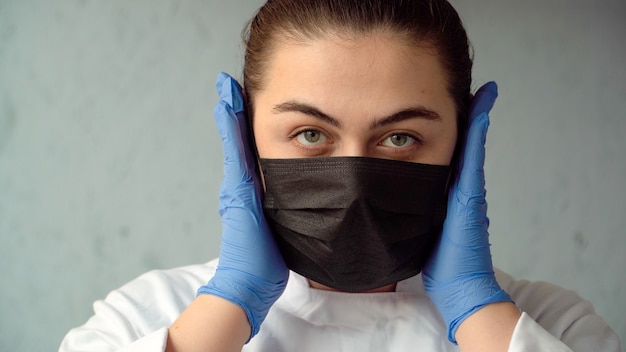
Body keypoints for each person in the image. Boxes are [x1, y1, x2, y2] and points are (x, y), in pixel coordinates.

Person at [59, 1, 621, 351]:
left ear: (465, 141)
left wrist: (477, 311)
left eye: (400, 137)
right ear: (245, 139)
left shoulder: (552, 325)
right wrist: (230, 305)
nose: (353, 185)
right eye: (309, 134)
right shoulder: (145, 317)